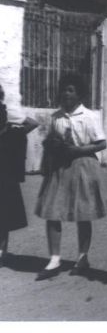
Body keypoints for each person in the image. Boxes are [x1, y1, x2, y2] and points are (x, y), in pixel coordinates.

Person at [35, 74, 107, 281]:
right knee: (52, 211)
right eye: (64, 90)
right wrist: (46, 162)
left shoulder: (89, 116)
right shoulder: (56, 116)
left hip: (83, 166)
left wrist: (79, 150)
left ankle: (82, 257)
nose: (66, 94)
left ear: (79, 94)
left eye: (71, 90)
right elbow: (51, 141)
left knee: (82, 214)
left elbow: (102, 144)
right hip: (59, 168)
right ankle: (54, 258)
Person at [0, 103, 28, 266]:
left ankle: (2, 250)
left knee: (4, 215)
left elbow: (31, 123)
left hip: (5, 178)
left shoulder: (11, 133)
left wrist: (12, 121)